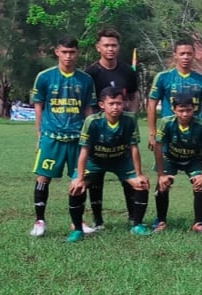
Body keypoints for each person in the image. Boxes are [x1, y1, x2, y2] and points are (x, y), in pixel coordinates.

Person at [29, 37, 97, 238]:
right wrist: (39, 134)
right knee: (43, 177)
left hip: (77, 138)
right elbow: (39, 106)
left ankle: (78, 221)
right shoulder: (45, 77)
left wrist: (90, 134)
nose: (68, 56)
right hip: (52, 137)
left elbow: (88, 109)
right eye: (64, 52)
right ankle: (40, 221)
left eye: (72, 52)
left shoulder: (85, 79)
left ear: (77, 53)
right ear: (57, 51)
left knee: (79, 178)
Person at [67, 87, 150, 242]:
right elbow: (84, 151)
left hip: (120, 160)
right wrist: (79, 178)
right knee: (76, 188)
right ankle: (77, 230)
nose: (115, 107)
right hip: (95, 161)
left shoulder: (130, 119)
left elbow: (134, 148)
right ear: (101, 105)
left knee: (142, 184)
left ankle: (137, 225)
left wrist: (139, 174)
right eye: (111, 103)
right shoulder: (92, 121)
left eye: (119, 103)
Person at [83, 28, 141, 232]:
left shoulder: (127, 71)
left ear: (119, 47)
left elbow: (133, 97)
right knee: (96, 178)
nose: (110, 49)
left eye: (114, 45)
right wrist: (92, 124)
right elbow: (87, 103)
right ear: (98, 47)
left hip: (122, 131)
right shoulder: (90, 73)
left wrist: (131, 118)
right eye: (106, 45)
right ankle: (98, 220)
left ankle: (134, 219)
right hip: (98, 132)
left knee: (127, 174)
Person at [153, 94, 202, 232]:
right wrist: (161, 174)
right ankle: (161, 222)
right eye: (181, 110)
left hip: (193, 159)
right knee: (162, 186)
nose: (185, 114)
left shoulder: (201, 124)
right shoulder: (166, 122)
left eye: (189, 110)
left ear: (194, 109)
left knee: (200, 186)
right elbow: (158, 147)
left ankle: (198, 223)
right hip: (171, 158)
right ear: (174, 110)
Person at [148, 39, 202, 156]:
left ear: (194, 55)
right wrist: (153, 133)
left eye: (189, 54)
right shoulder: (163, 77)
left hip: (194, 131)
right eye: (182, 54)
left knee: (197, 168)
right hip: (168, 131)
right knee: (165, 170)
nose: (186, 57)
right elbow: (152, 105)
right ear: (175, 55)